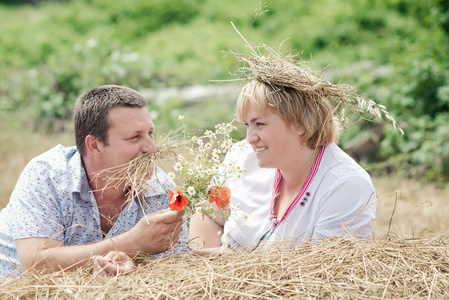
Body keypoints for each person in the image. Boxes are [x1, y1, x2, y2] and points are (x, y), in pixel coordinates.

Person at [189, 53, 377, 253]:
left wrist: (230, 266)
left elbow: (321, 275)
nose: (250, 138)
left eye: (260, 124)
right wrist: (210, 271)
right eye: (247, 125)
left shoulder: (345, 186)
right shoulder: (241, 158)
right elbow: (207, 213)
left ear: (300, 124)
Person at [0, 85, 187, 279]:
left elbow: (176, 263)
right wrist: (132, 244)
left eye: (150, 134)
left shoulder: (159, 186)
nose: (151, 148)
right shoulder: (46, 175)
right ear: (95, 145)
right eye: (134, 137)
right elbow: (34, 264)